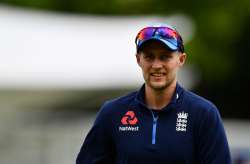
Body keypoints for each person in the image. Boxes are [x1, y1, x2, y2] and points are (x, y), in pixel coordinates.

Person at [76, 24, 232, 164]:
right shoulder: (113, 113)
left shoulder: (203, 113)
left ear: (181, 60)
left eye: (165, 57)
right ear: (138, 60)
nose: (156, 65)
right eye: (149, 57)